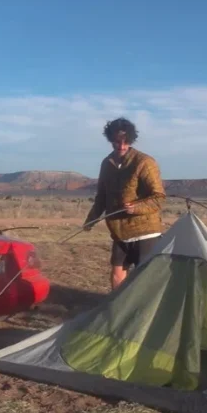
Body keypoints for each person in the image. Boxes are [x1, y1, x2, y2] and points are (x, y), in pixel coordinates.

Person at [83, 117, 166, 290]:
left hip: (146, 232)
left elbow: (158, 197)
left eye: (125, 141)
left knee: (145, 278)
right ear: (110, 139)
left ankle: (144, 314)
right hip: (119, 232)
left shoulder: (144, 162)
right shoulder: (107, 164)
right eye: (116, 142)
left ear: (131, 140)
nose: (121, 146)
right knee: (116, 274)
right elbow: (102, 196)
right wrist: (91, 219)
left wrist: (136, 207)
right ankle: (117, 312)